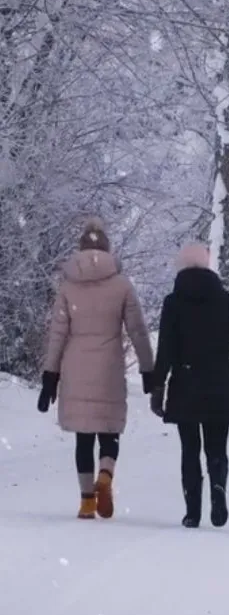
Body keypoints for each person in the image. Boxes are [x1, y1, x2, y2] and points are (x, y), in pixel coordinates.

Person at [38, 218, 154, 520]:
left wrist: (50, 375)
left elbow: (57, 334)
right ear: (107, 248)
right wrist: (148, 368)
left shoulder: (68, 286)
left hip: (76, 367)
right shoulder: (122, 284)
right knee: (109, 430)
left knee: (83, 436)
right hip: (109, 368)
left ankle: (87, 501)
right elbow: (138, 330)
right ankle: (106, 474)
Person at [151, 242, 229, 529]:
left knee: (189, 449)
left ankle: (192, 511)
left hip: (186, 383)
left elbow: (166, 349)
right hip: (220, 385)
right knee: (217, 448)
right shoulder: (225, 299)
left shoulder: (173, 302)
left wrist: (158, 388)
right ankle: (218, 491)